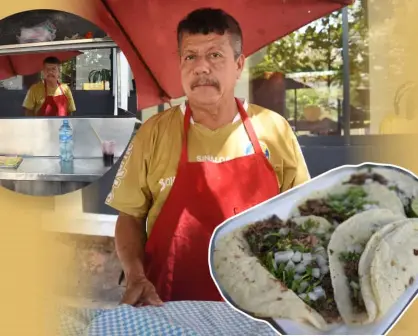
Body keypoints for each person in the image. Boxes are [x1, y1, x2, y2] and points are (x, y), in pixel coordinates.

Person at [105, 8, 310, 307]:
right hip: (168, 305)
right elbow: (130, 217)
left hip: (261, 308)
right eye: (190, 56)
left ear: (239, 65)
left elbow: (301, 215)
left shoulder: (274, 130)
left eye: (215, 55)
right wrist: (135, 276)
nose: (201, 67)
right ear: (180, 64)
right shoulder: (153, 133)